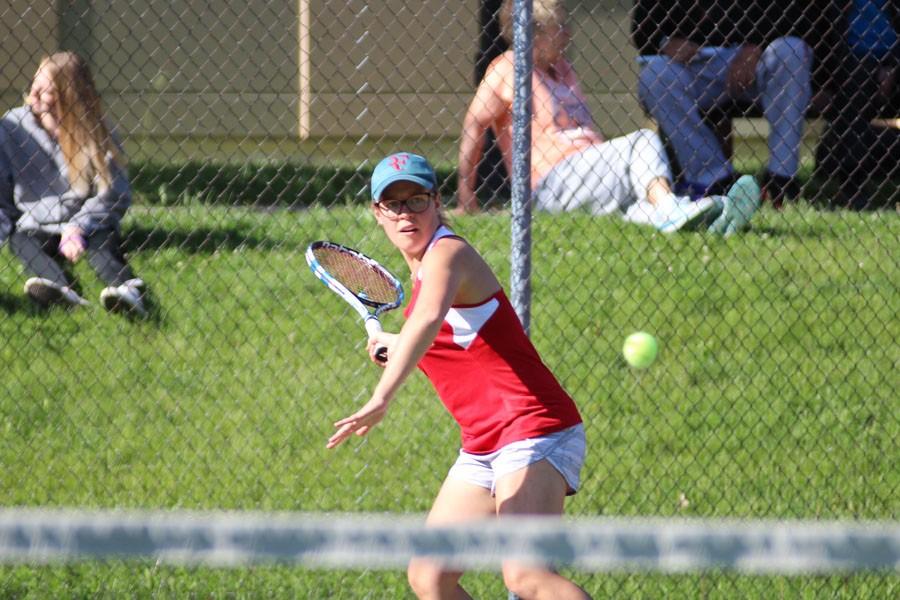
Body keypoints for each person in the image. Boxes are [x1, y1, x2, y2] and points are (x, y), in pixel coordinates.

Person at [327, 151, 591, 599]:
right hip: (484, 442)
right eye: (394, 203)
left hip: (533, 427)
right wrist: (396, 343)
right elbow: (442, 335)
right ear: (378, 213)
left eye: (417, 200)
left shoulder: (448, 253)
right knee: (430, 576)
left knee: (526, 577)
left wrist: (381, 398)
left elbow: (430, 320)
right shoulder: (420, 278)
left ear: (436, 202)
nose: (406, 213)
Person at [458, 0, 760, 236]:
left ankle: (711, 218)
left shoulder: (562, 69)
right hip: (550, 183)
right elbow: (475, 123)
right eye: (559, 27)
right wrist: (465, 194)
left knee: (639, 205)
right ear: (534, 34)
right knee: (641, 141)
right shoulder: (507, 67)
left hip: (590, 174)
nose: (568, 33)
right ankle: (675, 208)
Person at [632, 0, 841, 205]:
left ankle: (781, 181)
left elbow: (802, 15)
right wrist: (665, 43)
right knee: (654, 76)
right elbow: (642, 26)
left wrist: (757, 45)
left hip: (762, 59)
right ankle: (714, 180)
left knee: (790, 50)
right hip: (696, 64)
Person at [0, 52, 146, 315]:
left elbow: (114, 192)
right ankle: (59, 289)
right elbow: (2, 196)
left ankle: (127, 291)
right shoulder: (12, 128)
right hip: (35, 222)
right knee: (23, 243)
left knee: (103, 245)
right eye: (35, 83)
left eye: (46, 90)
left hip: (85, 220)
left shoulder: (94, 129)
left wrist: (77, 227)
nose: (33, 93)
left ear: (68, 95)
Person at [815, 0, 900, 209]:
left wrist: (893, 63)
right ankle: (852, 187)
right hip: (852, 62)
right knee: (854, 90)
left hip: (894, 59)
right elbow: (824, 38)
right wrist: (822, 81)